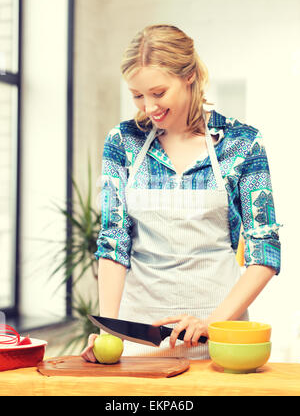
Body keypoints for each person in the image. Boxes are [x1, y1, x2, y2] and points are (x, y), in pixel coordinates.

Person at [81, 24, 281, 362]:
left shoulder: (242, 143)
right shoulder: (124, 142)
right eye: (137, 95)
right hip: (139, 337)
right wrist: (108, 333)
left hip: (219, 336)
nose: (148, 107)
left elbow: (266, 252)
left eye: (158, 93)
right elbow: (114, 241)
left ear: (189, 76)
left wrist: (210, 324)